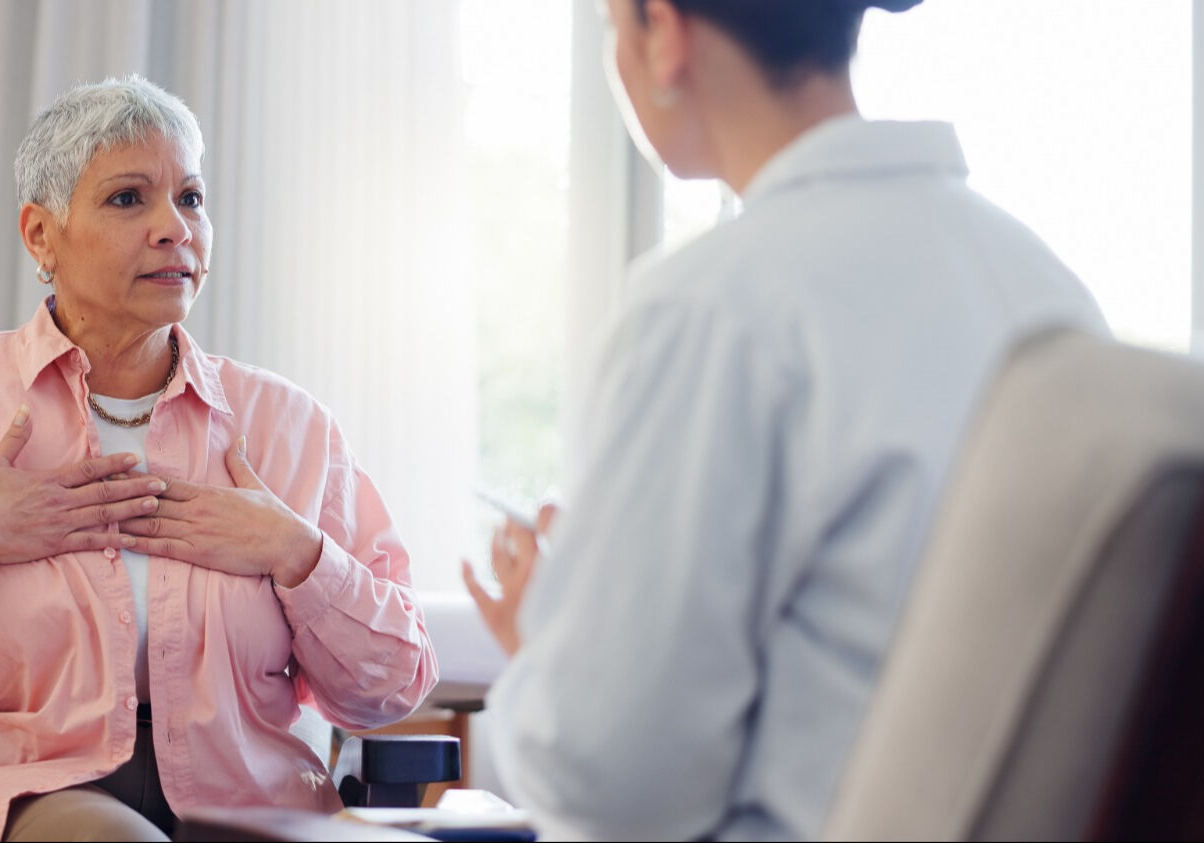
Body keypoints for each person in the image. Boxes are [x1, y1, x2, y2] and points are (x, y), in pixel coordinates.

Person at [462, 1, 1107, 840]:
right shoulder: (1049, 289)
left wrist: (551, 655)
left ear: (663, 32)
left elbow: (613, 786)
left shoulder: (711, 309)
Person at [0, 73, 437, 842]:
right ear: (41, 235)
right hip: (12, 797)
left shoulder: (288, 425)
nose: (174, 227)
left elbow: (395, 681)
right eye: (128, 198)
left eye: (192, 198)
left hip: (248, 807)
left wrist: (297, 553)